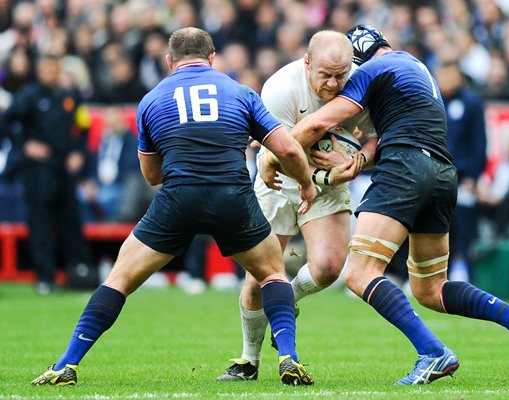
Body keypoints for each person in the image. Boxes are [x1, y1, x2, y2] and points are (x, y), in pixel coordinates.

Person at [31, 27, 316, 387]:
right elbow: (289, 149)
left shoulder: (151, 100)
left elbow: (151, 176)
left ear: (169, 61)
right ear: (213, 58)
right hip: (233, 197)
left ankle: (66, 364)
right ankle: (289, 356)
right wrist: (306, 185)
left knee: (119, 279)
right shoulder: (240, 92)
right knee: (273, 274)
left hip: (178, 197)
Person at [281, 24, 509, 384]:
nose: (341, 81)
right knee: (430, 288)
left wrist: (271, 152)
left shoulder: (372, 70)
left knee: (359, 273)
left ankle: (433, 352)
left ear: (356, 59)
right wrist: (357, 160)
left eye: (345, 72)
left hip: (406, 167)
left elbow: (318, 124)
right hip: (441, 172)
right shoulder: (417, 67)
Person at [217, 30, 377, 381]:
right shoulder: (280, 88)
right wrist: (319, 178)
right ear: (307, 63)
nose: (335, 83)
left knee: (329, 267)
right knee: (260, 277)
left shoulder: (360, 84)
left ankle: (285, 302)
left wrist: (358, 161)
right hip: (280, 180)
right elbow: (285, 152)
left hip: (327, 178)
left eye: (342, 73)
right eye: (326, 74)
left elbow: (374, 137)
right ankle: (248, 361)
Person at [2, 54, 92, 295]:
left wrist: (79, 152)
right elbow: (6, 121)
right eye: (45, 69)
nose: (49, 74)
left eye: (53, 69)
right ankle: (44, 276)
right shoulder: (29, 96)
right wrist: (25, 145)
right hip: (39, 168)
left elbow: (84, 124)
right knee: (40, 222)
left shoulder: (69, 96)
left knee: (70, 220)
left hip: (65, 166)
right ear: (39, 71)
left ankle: (76, 273)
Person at [435, 61, 487, 282]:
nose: (446, 80)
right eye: (443, 75)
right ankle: (437, 277)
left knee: (465, 229)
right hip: (435, 176)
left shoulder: (472, 102)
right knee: (438, 228)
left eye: (450, 76)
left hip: (462, 178)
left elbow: (479, 143)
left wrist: (474, 177)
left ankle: (470, 275)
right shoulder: (432, 100)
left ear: (459, 77)